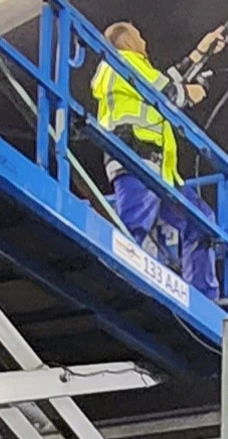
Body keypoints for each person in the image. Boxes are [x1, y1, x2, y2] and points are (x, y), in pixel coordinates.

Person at [91, 22, 218, 300]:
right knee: (133, 226)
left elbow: (161, 82)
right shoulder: (120, 63)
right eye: (139, 35)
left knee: (202, 221)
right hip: (136, 161)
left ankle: (204, 298)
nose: (145, 40)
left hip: (159, 172)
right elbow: (170, 93)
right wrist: (194, 92)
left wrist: (200, 52)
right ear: (126, 42)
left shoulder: (132, 69)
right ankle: (120, 275)